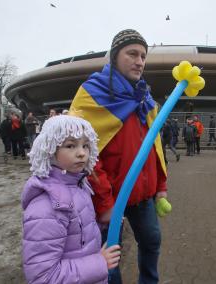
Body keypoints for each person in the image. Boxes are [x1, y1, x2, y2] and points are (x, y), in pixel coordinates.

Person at [69, 29, 168, 283]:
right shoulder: (91, 94)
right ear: (114, 56)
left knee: (152, 242)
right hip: (109, 197)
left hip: (144, 196)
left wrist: (161, 186)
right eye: (132, 54)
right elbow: (84, 156)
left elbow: (154, 145)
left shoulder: (144, 97)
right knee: (110, 259)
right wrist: (104, 204)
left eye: (143, 56)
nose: (139, 61)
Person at [21, 115, 121, 283]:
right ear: (50, 150)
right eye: (70, 145)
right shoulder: (47, 207)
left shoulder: (79, 186)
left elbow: (76, 233)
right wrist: (100, 262)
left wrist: (98, 225)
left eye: (86, 145)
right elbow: (43, 277)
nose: (82, 153)